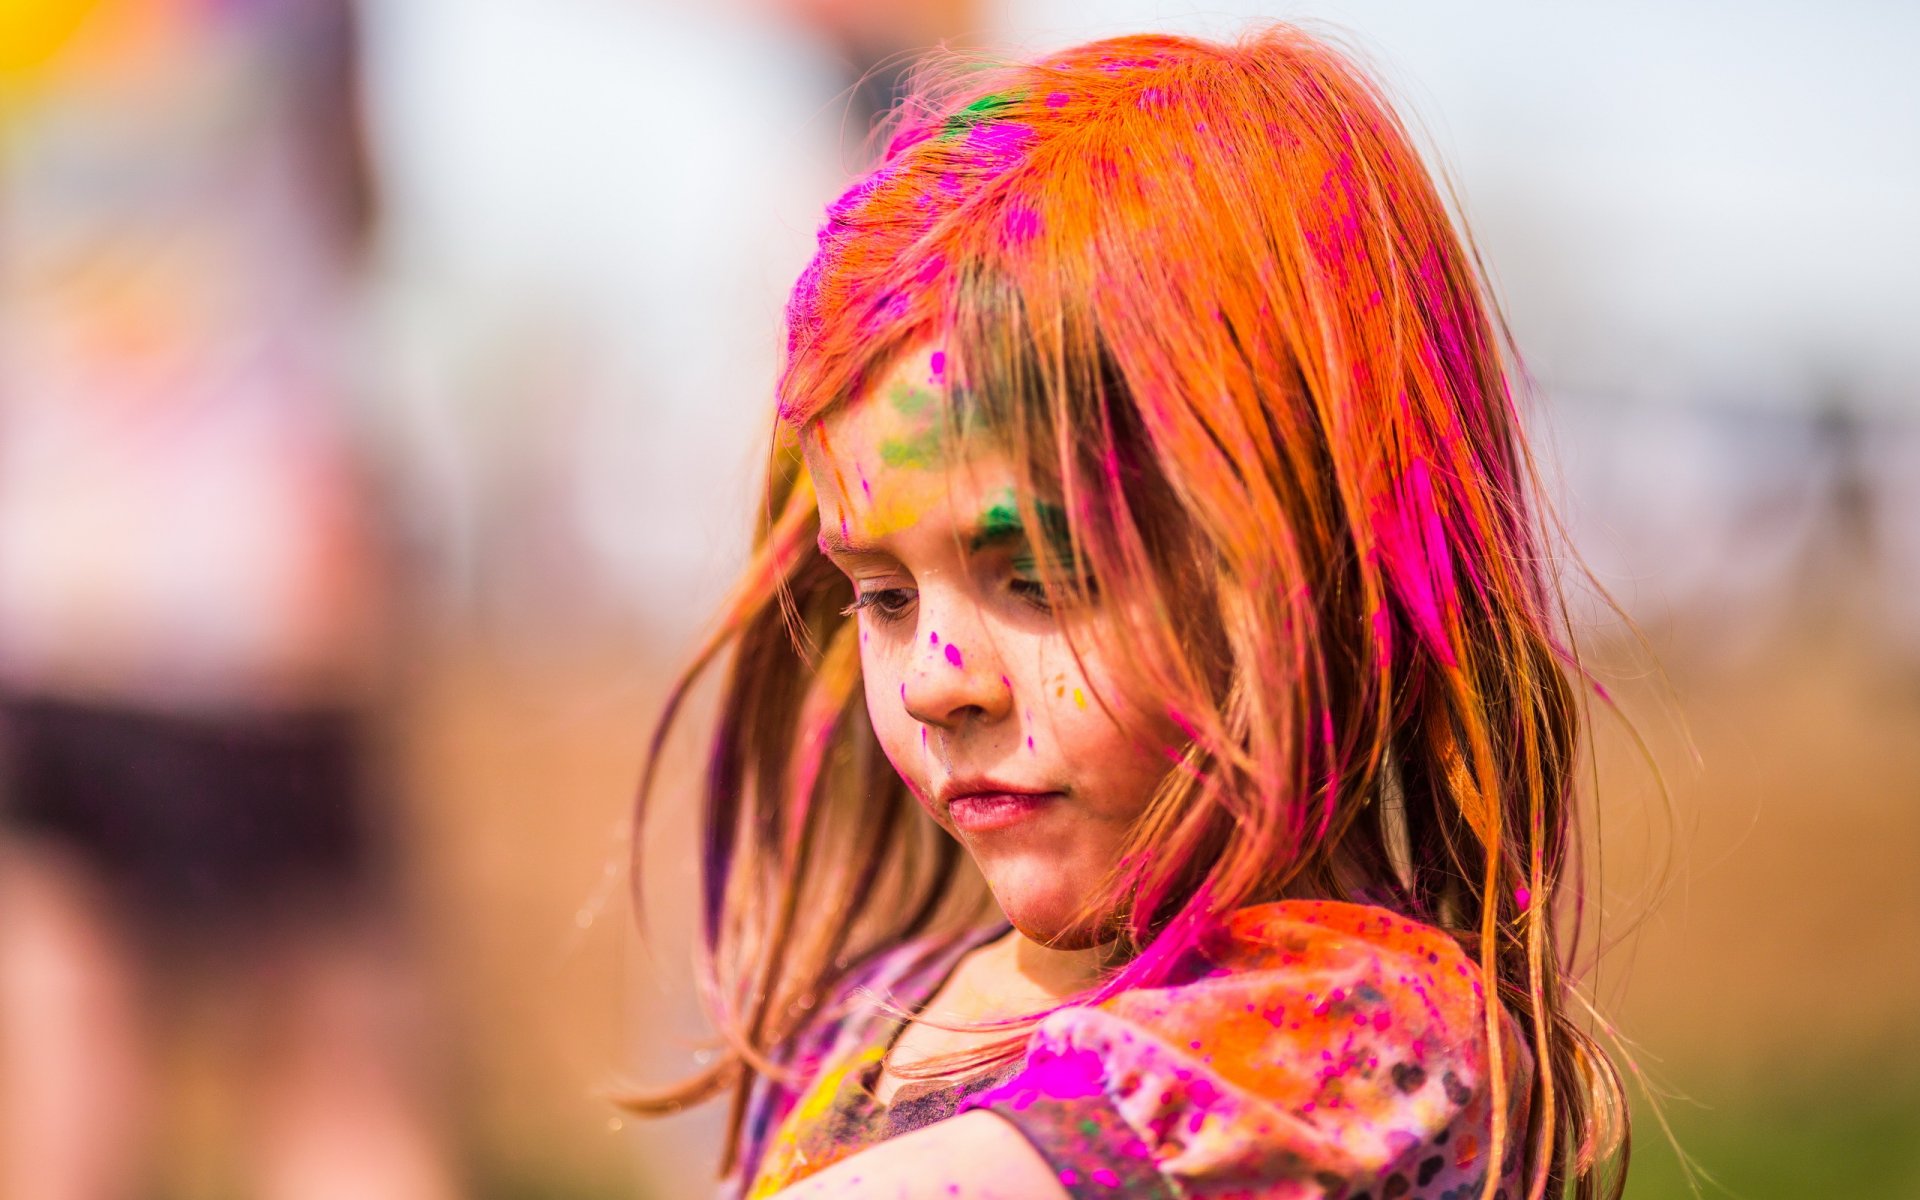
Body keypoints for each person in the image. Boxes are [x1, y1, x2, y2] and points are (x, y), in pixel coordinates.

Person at [623, 25, 1629, 1200]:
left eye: (1041, 575)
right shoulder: (860, 1026)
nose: (935, 679)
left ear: (1299, 561)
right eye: (885, 596)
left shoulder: (1363, 1048)